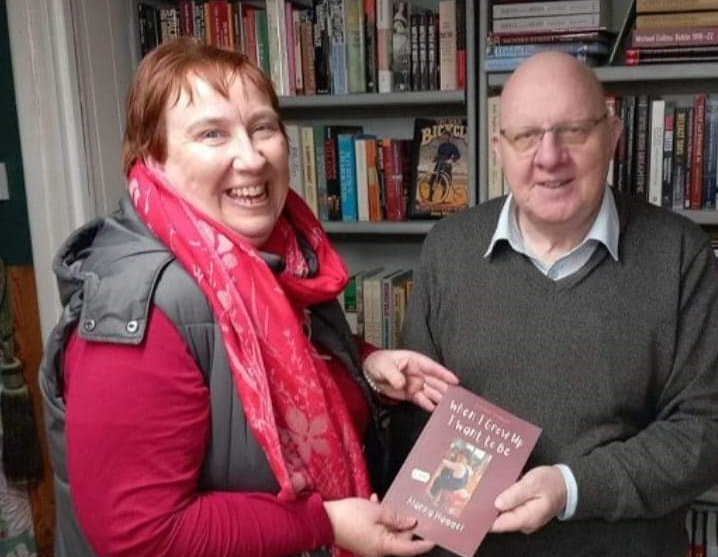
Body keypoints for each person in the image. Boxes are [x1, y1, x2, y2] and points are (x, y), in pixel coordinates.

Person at [38, 37, 458, 557]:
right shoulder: (138, 309)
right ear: (152, 157)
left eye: (262, 128)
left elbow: (285, 367)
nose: (252, 157)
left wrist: (367, 367)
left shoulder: (279, 259)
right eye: (212, 134)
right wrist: (324, 524)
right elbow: (141, 534)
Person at [389, 52, 718, 556]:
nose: (549, 157)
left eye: (573, 131)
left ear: (613, 136)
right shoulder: (447, 249)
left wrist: (572, 488)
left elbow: (710, 431)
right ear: (499, 149)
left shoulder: (679, 253)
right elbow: (415, 418)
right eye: (526, 136)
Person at [427, 130, 461, 203]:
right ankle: (430, 197)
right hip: (439, 164)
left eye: (446, 136)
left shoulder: (452, 146)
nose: (444, 137)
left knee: (445, 182)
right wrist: (434, 159)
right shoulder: (441, 146)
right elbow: (438, 155)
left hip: (446, 166)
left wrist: (451, 160)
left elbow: (458, 155)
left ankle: (442, 199)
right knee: (433, 180)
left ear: (449, 137)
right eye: (444, 136)